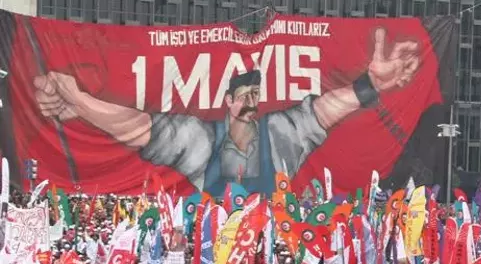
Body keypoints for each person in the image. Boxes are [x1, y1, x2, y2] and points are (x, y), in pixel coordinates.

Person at [33, 31, 423, 195]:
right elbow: (140, 127)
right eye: (244, 95)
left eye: (257, 94)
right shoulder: (200, 141)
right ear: (229, 102)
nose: (251, 102)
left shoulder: (280, 136)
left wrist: (369, 84)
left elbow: (323, 109)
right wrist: (83, 103)